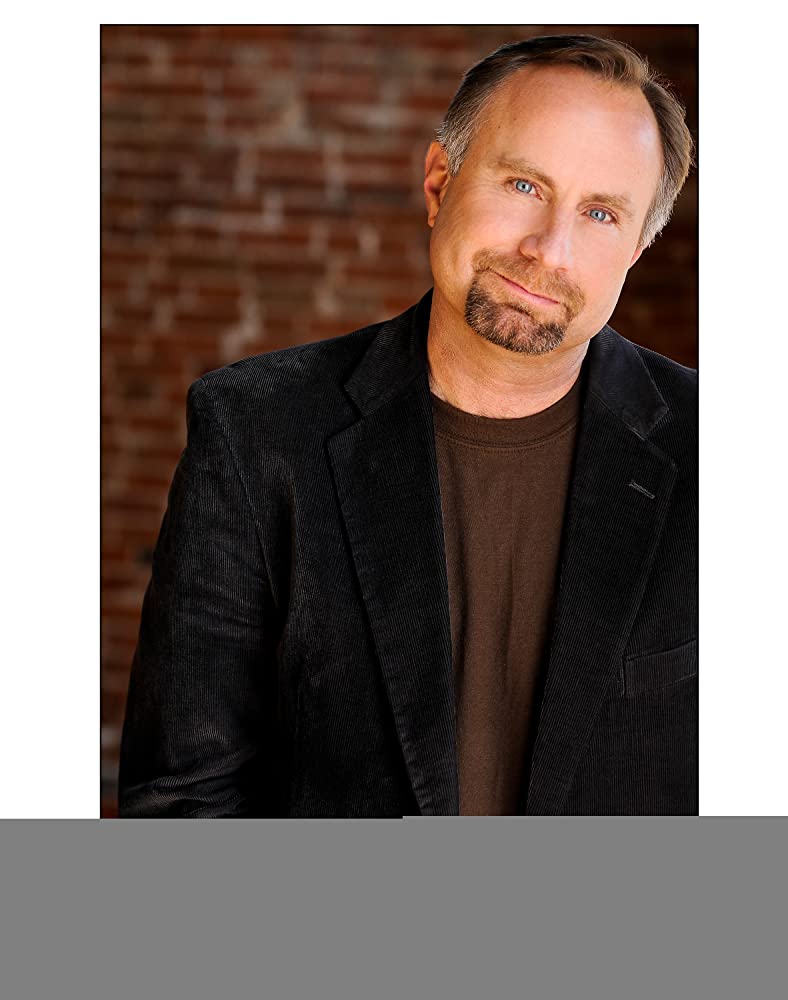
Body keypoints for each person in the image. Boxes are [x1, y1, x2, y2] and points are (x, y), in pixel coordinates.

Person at [118, 34, 697, 817]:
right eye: (523, 184)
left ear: (636, 249)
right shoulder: (257, 431)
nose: (549, 250)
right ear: (438, 182)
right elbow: (184, 801)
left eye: (600, 213)